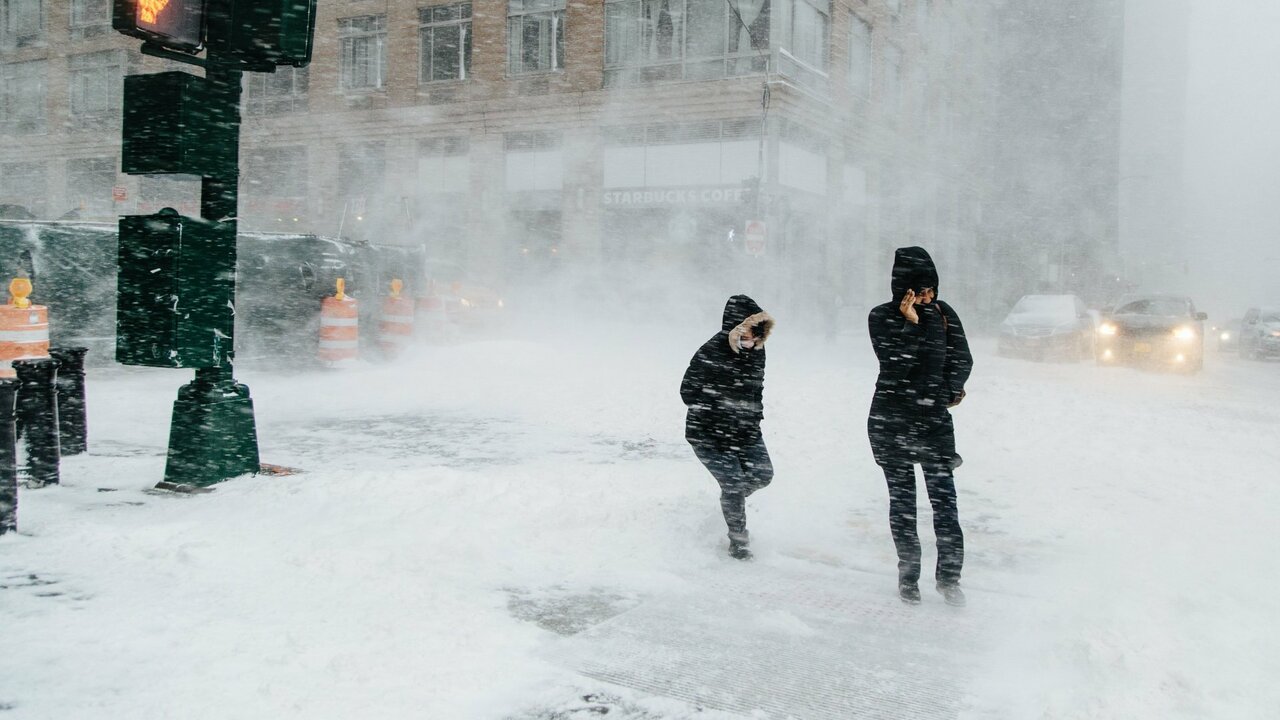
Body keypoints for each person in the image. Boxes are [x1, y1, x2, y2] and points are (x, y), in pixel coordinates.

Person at [867, 247, 973, 606]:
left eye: (932, 290)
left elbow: (962, 358)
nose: (928, 297)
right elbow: (893, 366)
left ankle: (949, 580)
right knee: (904, 505)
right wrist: (909, 324)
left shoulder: (944, 315)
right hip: (891, 421)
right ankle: (908, 577)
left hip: (934, 423)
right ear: (903, 290)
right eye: (920, 291)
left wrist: (945, 392)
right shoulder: (881, 316)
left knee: (946, 505)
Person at [681, 295, 776, 560]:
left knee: (763, 475)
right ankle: (738, 540)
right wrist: (719, 406)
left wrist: (753, 416)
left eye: (757, 334)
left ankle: (731, 500)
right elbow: (687, 392)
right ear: (734, 329)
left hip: (746, 431)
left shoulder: (757, 351)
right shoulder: (711, 351)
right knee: (733, 483)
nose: (752, 340)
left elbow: (757, 389)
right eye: (747, 333)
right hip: (708, 434)